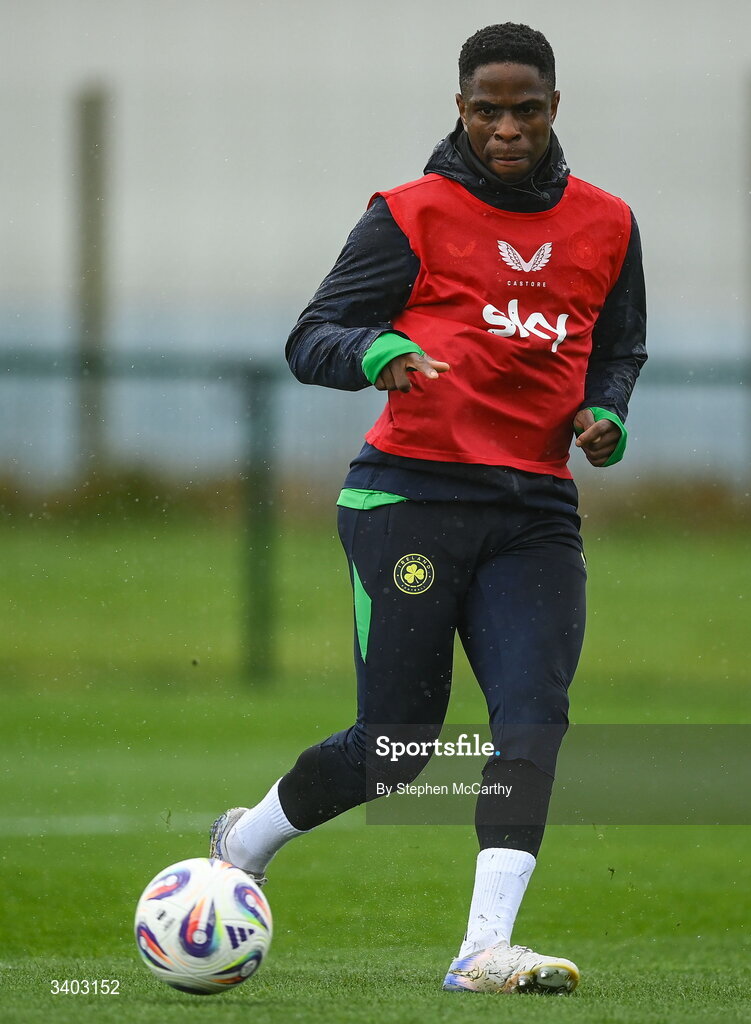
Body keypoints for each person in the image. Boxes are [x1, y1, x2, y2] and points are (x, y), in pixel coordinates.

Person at [211, 21, 646, 994]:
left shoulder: (608, 223)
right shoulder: (409, 215)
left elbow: (617, 346)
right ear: (459, 109)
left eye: (523, 109)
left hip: (534, 510)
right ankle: (243, 841)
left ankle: (482, 946)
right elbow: (312, 335)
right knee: (399, 750)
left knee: (533, 715)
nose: (505, 128)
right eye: (485, 110)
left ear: (552, 108)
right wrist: (377, 354)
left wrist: (606, 413)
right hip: (408, 497)